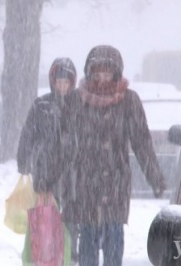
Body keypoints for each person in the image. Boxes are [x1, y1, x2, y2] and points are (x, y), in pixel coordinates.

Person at [60, 45, 166, 266]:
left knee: (114, 241)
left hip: (115, 186)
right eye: (97, 73)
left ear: (116, 73)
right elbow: (64, 146)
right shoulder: (77, 101)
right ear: (90, 73)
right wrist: (55, 181)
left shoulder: (128, 101)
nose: (102, 79)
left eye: (107, 73)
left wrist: (154, 176)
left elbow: (142, 143)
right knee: (87, 242)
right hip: (86, 185)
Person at [17, 57, 79, 262]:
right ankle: (40, 257)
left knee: (68, 225)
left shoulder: (78, 106)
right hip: (44, 175)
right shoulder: (41, 105)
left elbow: (83, 141)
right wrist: (24, 161)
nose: (62, 86)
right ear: (53, 81)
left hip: (70, 178)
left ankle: (65, 258)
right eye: (59, 82)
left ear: (72, 83)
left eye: (66, 82)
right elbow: (28, 134)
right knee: (42, 221)